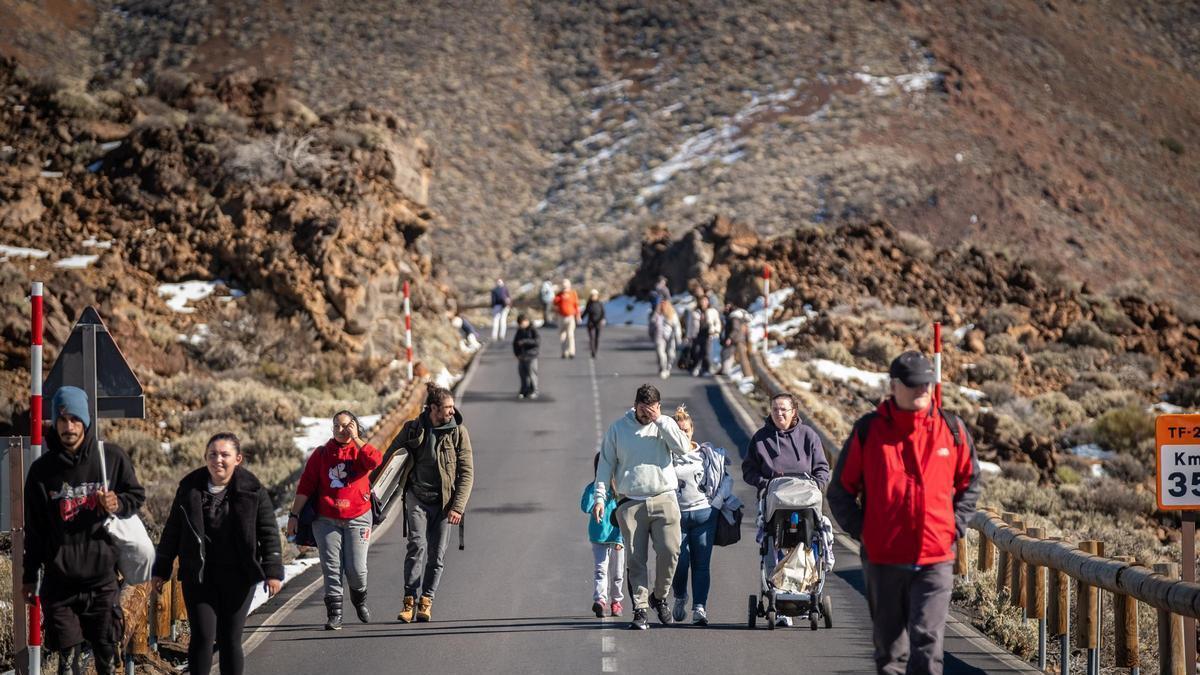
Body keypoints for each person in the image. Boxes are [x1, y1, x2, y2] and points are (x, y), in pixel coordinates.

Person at [828, 351, 981, 675]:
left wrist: (953, 527)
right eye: (913, 384)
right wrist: (865, 531)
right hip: (884, 560)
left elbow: (970, 482)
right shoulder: (869, 431)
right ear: (893, 386)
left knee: (927, 648)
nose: (922, 389)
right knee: (891, 654)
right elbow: (840, 490)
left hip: (935, 558)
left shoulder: (951, 429)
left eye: (927, 383)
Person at [23, 386, 146, 675]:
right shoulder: (42, 471)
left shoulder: (110, 458)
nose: (69, 427)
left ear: (86, 421)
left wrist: (117, 503)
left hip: (102, 581)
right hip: (59, 583)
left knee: (106, 657)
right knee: (67, 663)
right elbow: (35, 530)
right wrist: (29, 577)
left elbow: (136, 496)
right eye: (62, 419)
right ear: (55, 422)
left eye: (75, 419)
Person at [153, 433, 284, 675]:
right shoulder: (189, 489)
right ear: (205, 457)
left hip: (239, 576)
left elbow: (268, 532)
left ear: (238, 459)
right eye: (212, 454)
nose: (218, 460)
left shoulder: (253, 490)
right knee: (203, 636)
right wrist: (161, 569)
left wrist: (273, 571)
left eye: (225, 455)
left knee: (229, 637)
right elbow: (172, 531)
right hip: (199, 576)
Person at [593, 384, 690, 630]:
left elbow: (683, 448)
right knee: (636, 559)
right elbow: (605, 465)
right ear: (635, 405)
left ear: (659, 407)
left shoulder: (665, 425)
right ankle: (640, 608)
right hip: (631, 502)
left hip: (664, 497)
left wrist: (661, 421)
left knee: (670, 551)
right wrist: (600, 498)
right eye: (644, 409)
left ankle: (659, 596)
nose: (648, 414)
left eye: (653, 409)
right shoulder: (618, 429)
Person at [286, 411, 382, 630]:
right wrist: (294, 515)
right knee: (331, 567)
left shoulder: (360, 451)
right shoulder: (321, 454)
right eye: (337, 426)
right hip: (326, 519)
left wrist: (356, 438)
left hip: (358, 517)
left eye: (346, 425)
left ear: (354, 426)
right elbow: (306, 486)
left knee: (356, 570)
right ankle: (335, 615)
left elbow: (375, 460)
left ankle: (359, 598)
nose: (341, 430)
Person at [395, 385, 474, 623]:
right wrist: (372, 489)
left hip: (444, 502)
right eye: (447, 407)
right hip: (417, 497)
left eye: (452, 407)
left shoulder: (458, 432)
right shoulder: (413, 429)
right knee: (416, 546)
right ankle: (409, 600)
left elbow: (466, 472)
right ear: (433, 409)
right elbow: (391, 458)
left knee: (436, 555)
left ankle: (426, 600)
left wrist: (458, 507)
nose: (452, 411)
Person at [669, 405, 740, 626]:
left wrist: (716, 504)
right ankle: (680, 596)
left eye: (686, 430)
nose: (683, 434)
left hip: (705, 515)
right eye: (678, 431)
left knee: (701, 564)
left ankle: (700, 607)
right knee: (679, 562)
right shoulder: (665, 456)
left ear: (692, 430)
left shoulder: (707, 454)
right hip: (676, 517)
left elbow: (726, 479)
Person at [743, 392, 831, 491]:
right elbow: (748, 470)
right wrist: (765, 484)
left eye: (783, 409)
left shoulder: (808, 435)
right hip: (773, 495)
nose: (779, 413)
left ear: (793, 412)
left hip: (806, 494)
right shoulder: (760, 437)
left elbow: (821, 467)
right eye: (775, 409)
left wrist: (817, 485)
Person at [580, 453, 624, 618]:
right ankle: (600, 601)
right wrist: (594, 489)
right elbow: (585, 507)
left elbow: (624, 515)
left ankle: (616, 601)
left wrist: (621, 538)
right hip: (598, 536)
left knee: (617, 573)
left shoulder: (620, 489)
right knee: (600, 570)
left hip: (617, 536)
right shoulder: (592, 488)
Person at [686, 294, 722, 376]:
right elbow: (690, 324)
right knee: (695, 351)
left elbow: (717, 322)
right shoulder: (694, 312)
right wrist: (688, 336)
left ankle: (705, 369)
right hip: (696, 334)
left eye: (705, 301)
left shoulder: (712, 311)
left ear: (708, 302)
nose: (703, 302)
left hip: (708, 334)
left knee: (706, 352)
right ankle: (695, 367)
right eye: (702, 301)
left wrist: (716, 330)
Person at [651, 299, 682, 379]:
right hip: (659, 337)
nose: (663, 306)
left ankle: (668, 367)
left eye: (664, 304)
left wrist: (678, 337)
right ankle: (663, 369)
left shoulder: (672, 314)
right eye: (661, 304)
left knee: (671, 354)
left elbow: (677, 326)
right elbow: (652, 325)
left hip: (670, 337)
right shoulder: (657, 314)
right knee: (661, 354)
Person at [512, 313, 540, 399]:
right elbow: (515, 343)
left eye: (522, 323)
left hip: (531, 356)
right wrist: (517, 354)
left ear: (527, 321)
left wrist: (524, 341)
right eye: (519, 323)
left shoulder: (533, 330)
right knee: (522, 374)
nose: (521, 325)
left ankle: (534, 390)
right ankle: (524, 391)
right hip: (522, 356)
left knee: (532, 374)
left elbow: (537, 342)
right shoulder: (519, 331)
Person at [554, 278, 581, 358]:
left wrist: (578, 315)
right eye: (564, 287)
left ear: (569, 286)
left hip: (570, 317)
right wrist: (560, 296)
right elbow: (555, 303)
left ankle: (571, 351)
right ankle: (564, 352)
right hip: (561, 317)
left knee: (570, 334)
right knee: (562, 336)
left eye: (566, 286)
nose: (565, 288)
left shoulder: (573, 294)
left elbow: (576, 305)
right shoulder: (559, 295)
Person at [583, 289, 606, 359]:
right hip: (590, 323)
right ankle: (593, 351)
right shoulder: (589, 303)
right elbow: (586, 311)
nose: (593, 297)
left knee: (597, 338)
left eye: (595, 295)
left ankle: (595, 350)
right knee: (591, 338)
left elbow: (603, 312)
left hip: (598, 322)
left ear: (597, 296)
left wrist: (603, 319)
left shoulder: (600, 303)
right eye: (592, 295)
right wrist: (580, 317)